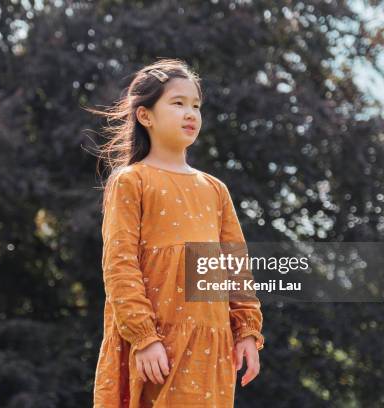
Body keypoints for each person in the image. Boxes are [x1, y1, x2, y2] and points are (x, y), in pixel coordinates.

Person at [88, 58, 265, 407]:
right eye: (178, 103)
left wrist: (246, 331)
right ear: (145, 116)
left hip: (211, 347)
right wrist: (144, 337)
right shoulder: (131, 181)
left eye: (196, 105)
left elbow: (236, 269)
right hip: (156, 347)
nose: (191, 114)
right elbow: (120, 265)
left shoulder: (215, 190)